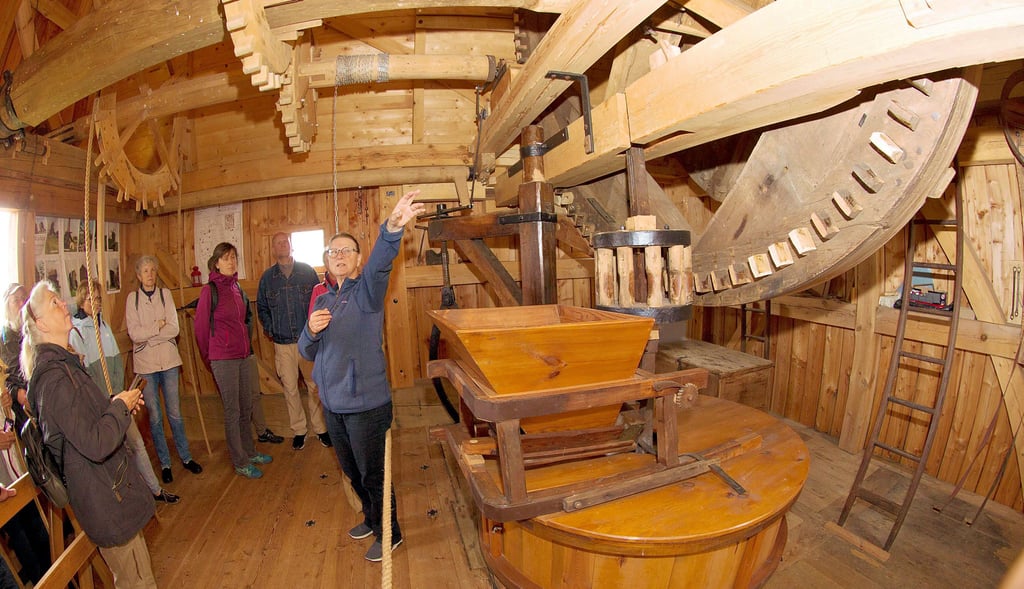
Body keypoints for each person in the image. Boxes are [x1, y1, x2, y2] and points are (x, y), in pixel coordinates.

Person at [299, 189, 424, 562]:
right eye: (332, 252)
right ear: (326, 261)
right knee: (353, 474)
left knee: (374, 476)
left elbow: (382, 264)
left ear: (356, 262)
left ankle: (391, 534)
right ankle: (371, 519)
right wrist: (310, 330)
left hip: (367, 406)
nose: (338, 256)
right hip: (333, 406)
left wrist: (392, 227)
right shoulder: (322, 300)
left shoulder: (367, 292)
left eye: (345, 251)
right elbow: (307, 352)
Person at [21, 281, 158, 588]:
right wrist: (120, 409)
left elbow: (85, 422)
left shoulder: (63, 365)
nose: (64, 305)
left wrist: (115, 405)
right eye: (54, 303)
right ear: (41, 323)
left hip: (111, 486)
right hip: (102, 494)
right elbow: (95, 443)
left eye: (60, 299)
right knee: (132, 581)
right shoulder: (53, 380)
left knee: (144, 577)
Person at [69, 281, 179, 504]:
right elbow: (85, 375)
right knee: (117, 453)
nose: (97, 303)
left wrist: (119, 391)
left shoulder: (104, 327)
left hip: (117, 398)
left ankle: (155, 490)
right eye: (93, 299)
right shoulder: (77, 333)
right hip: (101, 403)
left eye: (100, 298)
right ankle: (131, 499)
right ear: (82, 301)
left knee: (137, 444)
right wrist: (105, 397)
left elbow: (117, 363)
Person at [194, 243, 273, 479]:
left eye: (234, 258)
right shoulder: (210, 291)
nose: (231, 262)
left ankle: (249, 452)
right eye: (226, 258)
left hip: (242, 356)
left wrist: (246, 349)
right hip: (222, 359)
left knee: (246, 405)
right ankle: (239, 461)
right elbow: (200, 329)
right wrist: (210, 359)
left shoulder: (237, 288)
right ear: (216, 262)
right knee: (232, 410)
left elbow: (245, 321)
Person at [125, 256, 203, 484]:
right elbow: (134, 334)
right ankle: (165, 463)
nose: (149, 274)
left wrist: (150, 333)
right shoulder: (133, 300)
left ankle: (186, 457)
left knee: (175, 413)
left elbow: (174, 328)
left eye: (152, 270)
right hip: (146, 366)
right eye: (145, 271)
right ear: (139, 276)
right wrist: (156, 326)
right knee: (155, 417)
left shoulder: (165, 295)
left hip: (168, 362)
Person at [257, 232, 330, 451]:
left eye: (285, 241)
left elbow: (320, 301)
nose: (282, 245)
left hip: (307, 342)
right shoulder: (267, 278)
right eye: (277, 242)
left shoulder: (307, 272)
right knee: (290, 388)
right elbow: (261, 308)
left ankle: (321, 429)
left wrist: (315, 331)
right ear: (273, 248)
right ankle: (299, 430)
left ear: (291, 245)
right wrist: (271, 329)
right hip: (282, 344)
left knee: (314, 386)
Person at [1, 284, 29, 431]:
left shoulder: (32, 334)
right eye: (16, 300)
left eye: (24, 299)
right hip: (15, 412)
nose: (21, 304)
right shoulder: (2, 340)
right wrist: (15, 392)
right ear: (7, 305)